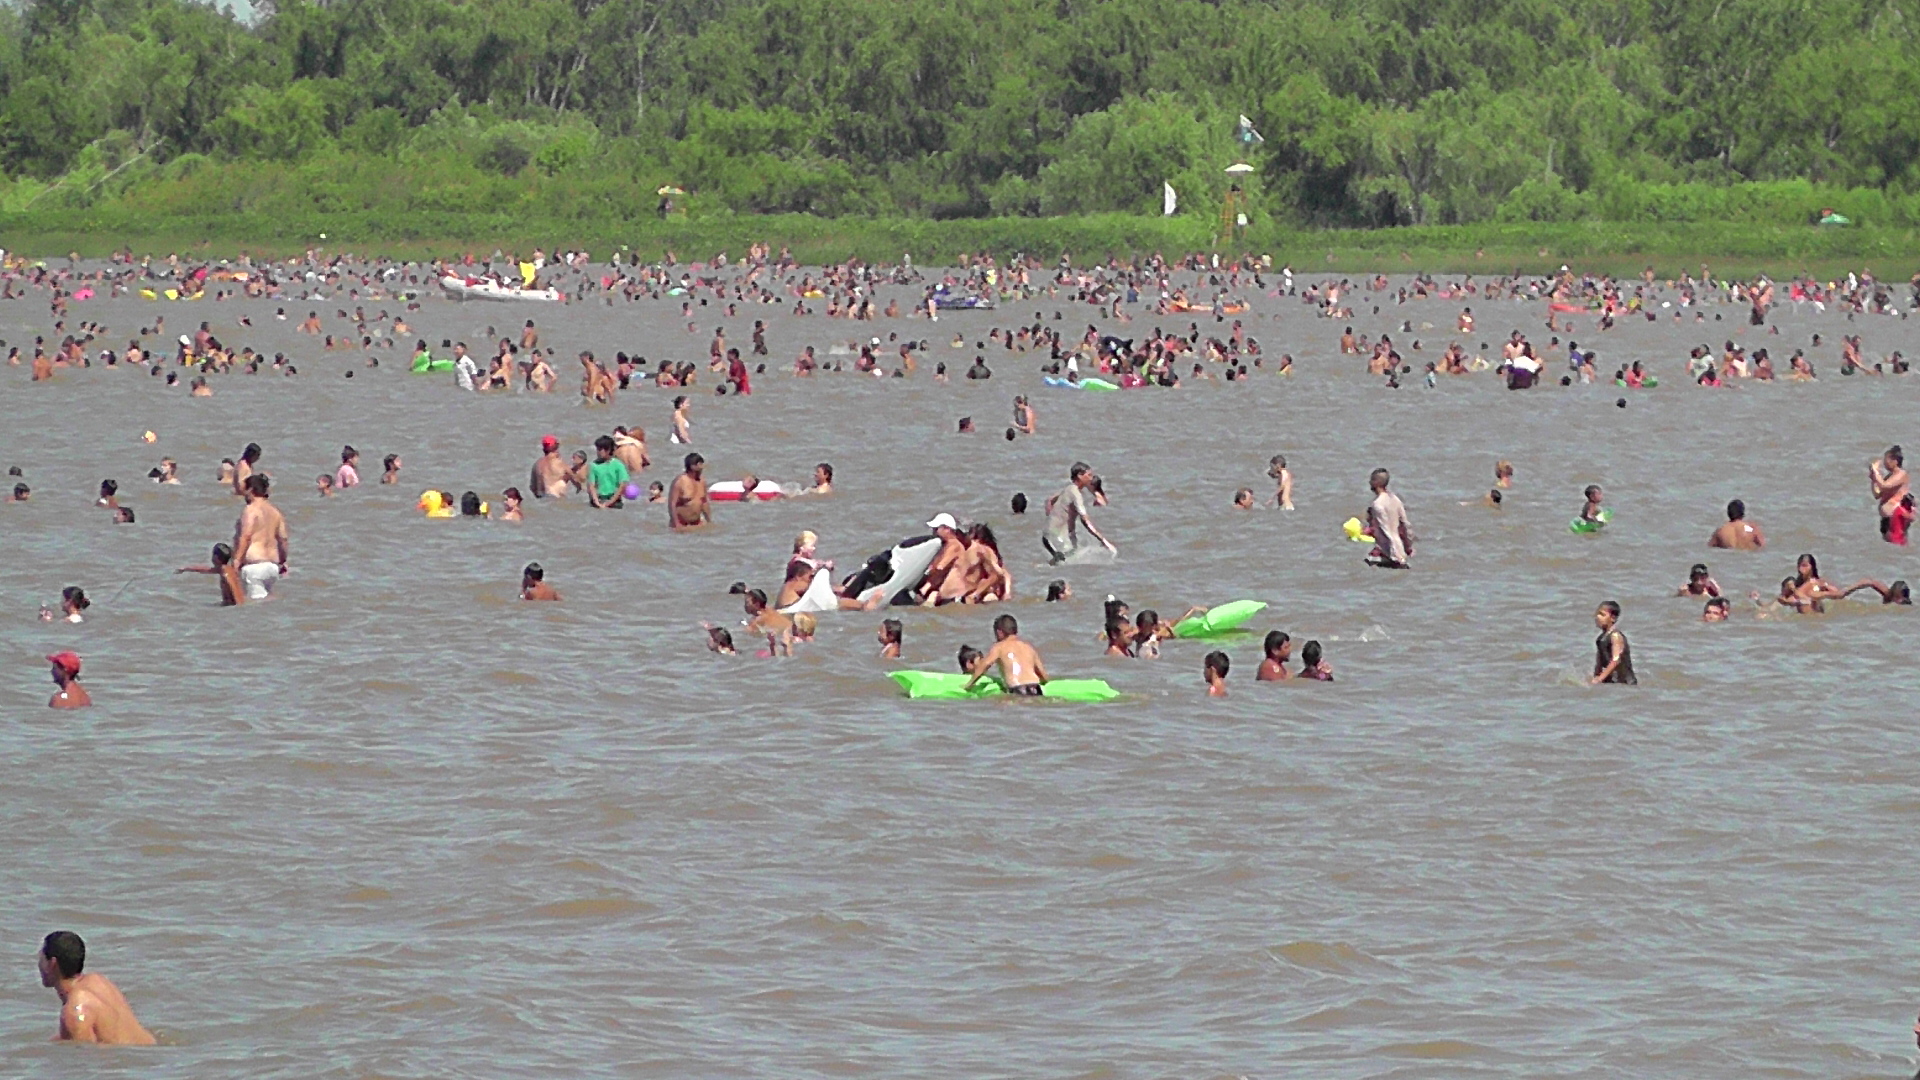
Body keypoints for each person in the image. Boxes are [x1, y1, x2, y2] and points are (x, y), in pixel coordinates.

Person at [37, 931, 152, 1043]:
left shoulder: (74, 1013)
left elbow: (85, 1059)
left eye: (41, 959)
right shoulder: (98, 981)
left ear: (52, 964)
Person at [1043, 461, 1116, 562]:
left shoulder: (1068, 489)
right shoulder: (1076, 494)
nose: (1092, 478)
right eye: (1089, 475)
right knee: (1070, 559)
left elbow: (1049, 501)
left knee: (1068, 557)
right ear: (1080, 476)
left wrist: (1051, 519)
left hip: (1049, 535)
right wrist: (1103, 540)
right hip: (1057, 537)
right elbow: (1085, 520)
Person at [232, 473, 288, 601]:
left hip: (254, 566)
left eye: (245, 490)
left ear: (251, 490)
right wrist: (283, 561)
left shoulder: (250, 510)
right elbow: (283, 540)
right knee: (269, 603)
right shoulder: (276, 512)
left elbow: (246, 536)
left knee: (255, 606)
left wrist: (237, 561)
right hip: (272, 567)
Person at [964, 614, 1048, 696]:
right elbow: (1043, 676)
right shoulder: (1029, 647)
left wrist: (969, 685)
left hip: (1017, 690)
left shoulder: (999, 647)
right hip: (1036, 689)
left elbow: (984, 665)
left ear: (999, 632)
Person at [1364, 468, 1414, 568]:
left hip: (1389, 554)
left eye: (1372, 480)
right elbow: (1406, 526)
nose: (1369, 482)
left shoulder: (1377, 504)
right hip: (1401, 553)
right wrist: (1408, 547)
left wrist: (1363, 532)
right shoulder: (1396, 500)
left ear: (1376, 483)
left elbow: (1384, 530)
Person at [176, 542, 243, 605]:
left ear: (216, 557)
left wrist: (239, 606)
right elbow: (205, 569)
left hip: (231, 605)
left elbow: (233, 588)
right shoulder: (226, 568)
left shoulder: (225, 572)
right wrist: (186, 568)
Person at [1590, 600, 1636, 685]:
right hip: (1611, 681)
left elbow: (1616, 660)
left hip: (1626, 683)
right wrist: (1595, 676)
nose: (1598, 617)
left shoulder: (1615, 636)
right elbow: (1599, 661)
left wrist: (1599, 679)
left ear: (1613, 618)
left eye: (1602, 614)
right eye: (1597, 614)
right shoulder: (1600, 639)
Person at [1870, 445, 1908, 540]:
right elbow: (1877, 494)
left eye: (1887, 459)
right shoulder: (1890, 476)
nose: (1885, 462)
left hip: (1895, 518)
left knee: (1897, 544)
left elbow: (1884, 486)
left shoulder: (1901, 474)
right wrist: (1873, 480)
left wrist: (1876, 472)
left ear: (1895, 461)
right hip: (1886, 519)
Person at [586, 435, 629, 509]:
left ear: (608, 450)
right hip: (599, 499)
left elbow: (623, 485)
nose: (598, 452)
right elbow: (591, 485)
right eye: (597, 449)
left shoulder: (618, 465)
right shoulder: (593, 465)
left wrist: (610, 502)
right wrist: (596, 501)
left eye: (600, 449)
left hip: (614, 500)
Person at [669, 452, 711, 530]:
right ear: (692, 466)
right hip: (682, 523)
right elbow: (672, 504)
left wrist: (709, 521)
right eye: (700, 464)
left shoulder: (702, 481)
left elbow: (704, 502)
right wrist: (677, 524)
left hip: (697, 523)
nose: (702, 467)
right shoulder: (680, 481)